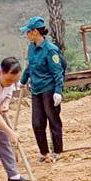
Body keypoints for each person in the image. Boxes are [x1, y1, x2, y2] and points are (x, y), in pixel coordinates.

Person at [19, 16, 66, 162]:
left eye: (28, 31)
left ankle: (57, 151)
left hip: (49, 89)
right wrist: (22, 81)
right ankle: (44, 153)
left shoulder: (50, 50)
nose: (26, 34)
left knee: (53, 120)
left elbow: (58, 72)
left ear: (35, 32)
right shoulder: (31, 48)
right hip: (36, 89)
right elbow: (30, 67)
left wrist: (58, 91)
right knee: (37, 123)